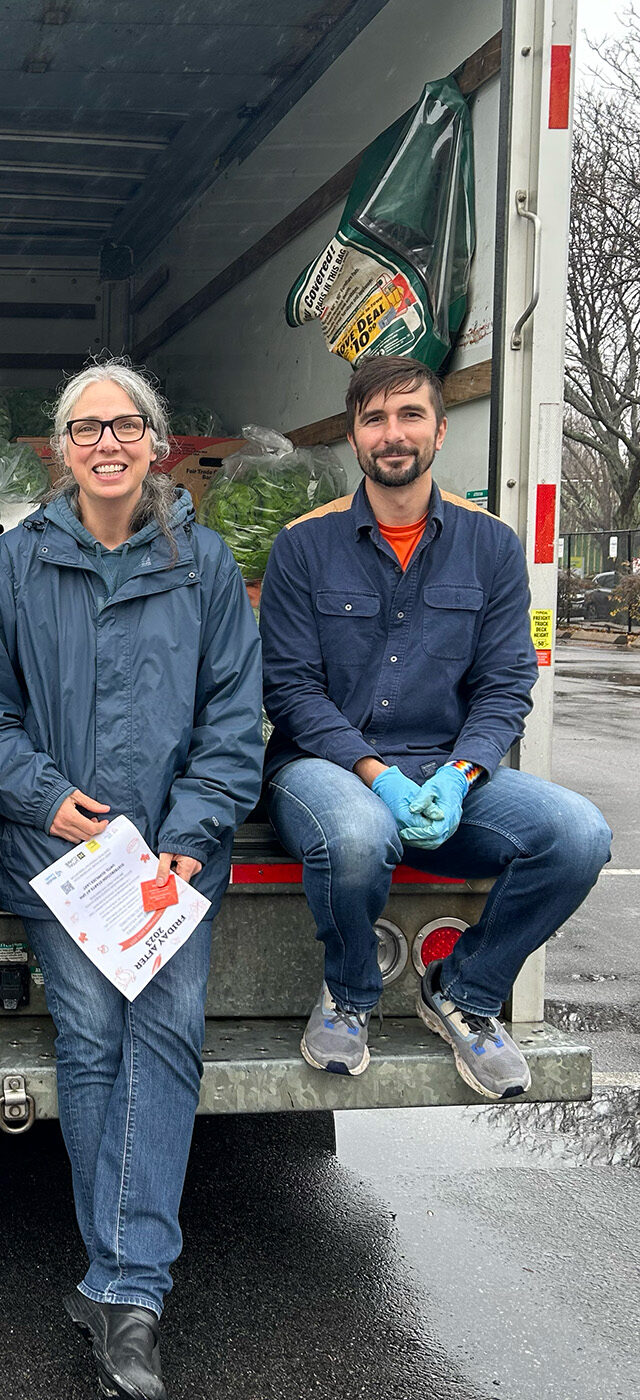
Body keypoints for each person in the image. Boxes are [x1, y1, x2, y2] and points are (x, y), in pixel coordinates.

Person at [0, 358, 263, 1400]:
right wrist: (41, 795)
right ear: (59, 450)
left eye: (124, 425)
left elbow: (233, 717)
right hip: (57, 844)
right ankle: (126, 1284)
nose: (104, 442)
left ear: (155, 443)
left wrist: (190, 829)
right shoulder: (11, 567)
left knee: (165, 1027)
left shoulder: (206, 563)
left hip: (170, 853)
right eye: (84, 426)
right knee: (91, 1027)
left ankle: (123, 1284)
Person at [260, 354, 612, 1098]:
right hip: (324, 765)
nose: (394, 434)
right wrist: (375, 775)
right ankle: (350, 993)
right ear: (354, 438)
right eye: (375, 418)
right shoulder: (303, 544)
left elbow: (506, 684)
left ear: (440, 431)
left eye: (410, 415)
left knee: (579, 835)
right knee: (357, 835)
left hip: (451, 767)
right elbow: (290, 690)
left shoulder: (491, 545)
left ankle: (465, 992)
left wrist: (461, 773)